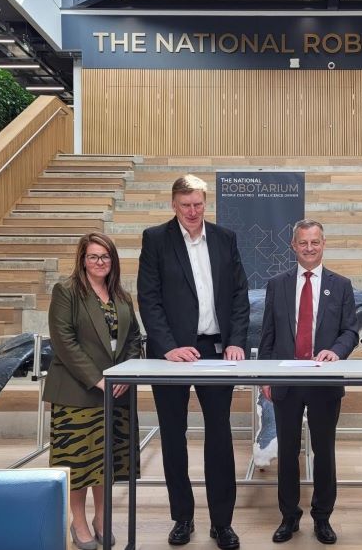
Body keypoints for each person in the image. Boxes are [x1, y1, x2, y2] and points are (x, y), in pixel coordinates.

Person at [137, 174, 250, 550]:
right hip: (172, 356)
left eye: (198, 204)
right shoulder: (155, 239)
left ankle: (222, 523)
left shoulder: (224, 238)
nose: (192, 211)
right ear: (173, 204)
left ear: (206, 203)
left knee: (219, 434)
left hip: (216, 351)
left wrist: (235, 341)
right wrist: (168, 347)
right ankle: (182, 518)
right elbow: (148, 298)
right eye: (185, 205)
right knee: (173, 434)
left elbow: (238, 295)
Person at [259, 219, 359, 545]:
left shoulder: (341, 285)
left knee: (324, 451)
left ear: (323, 243)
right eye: (303, 242)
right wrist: (265, 376)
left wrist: (336, 350)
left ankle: (322, 518)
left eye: (315, 242)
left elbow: (350, 332)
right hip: (286, 380)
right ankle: (289, 517)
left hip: (324, 382)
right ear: (294, 246)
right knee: (287, 453)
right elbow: (268, 337)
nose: (309, 248)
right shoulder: (277, 284)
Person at [44, 232, 142, 550]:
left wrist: (125, 374)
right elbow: (64, 341)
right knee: (78, 461)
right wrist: (98, 379)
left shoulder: (122, 297)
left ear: (113, 260)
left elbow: (134, 341)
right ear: (83, 260)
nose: (100, 262)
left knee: (106, 461)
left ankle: (102, 517)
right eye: (93, 256)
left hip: (116, 393)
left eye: (105, 256)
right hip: (77, 392)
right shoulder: (67, 292)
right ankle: (79, 521)